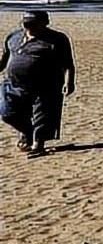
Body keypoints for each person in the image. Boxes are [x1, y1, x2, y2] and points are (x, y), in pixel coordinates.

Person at [1, 10, 76, 158]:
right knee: (6, 113)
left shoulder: (57, 39)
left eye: (33, 24)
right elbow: (4, 59)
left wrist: (69, 82)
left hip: (45, 85)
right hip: (13, 84)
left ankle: (38, 145)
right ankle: (28, 133)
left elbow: (68, 64)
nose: (29, 27)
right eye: (26, 24)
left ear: (45, 23)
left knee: (42, 116)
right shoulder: (13, 37)